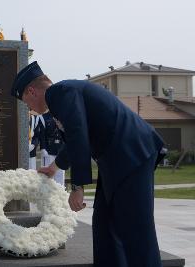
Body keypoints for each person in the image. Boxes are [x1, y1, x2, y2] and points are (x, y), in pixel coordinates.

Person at [11, 61, 165, 267]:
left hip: (132, 154)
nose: (30, 108)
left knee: (136, 228)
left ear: (31, 91)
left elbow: (78, 135)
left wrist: (77, 187)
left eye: (26, 102)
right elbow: (77, 137)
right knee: (105, 225)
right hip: (116, 160)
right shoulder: (63, 95)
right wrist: (54, 167)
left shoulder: (60, 92)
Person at [39, 111, 65, 185]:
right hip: (49, 150)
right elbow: (42, 134)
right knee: (47, 176)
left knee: (60, 175)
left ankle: (60, 192)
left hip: (60, 149)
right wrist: (43, 148)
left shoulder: (63, 115)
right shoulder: (43, 117)